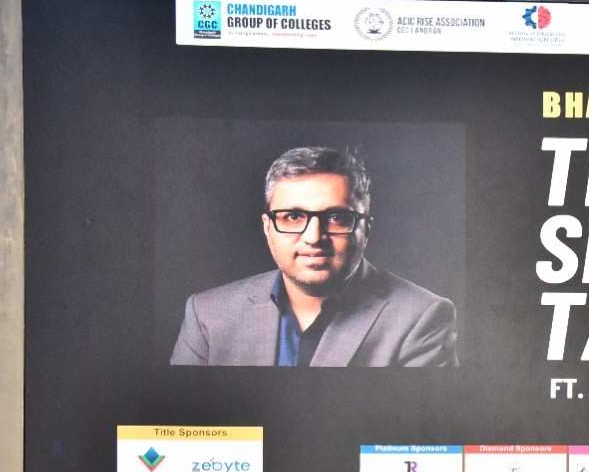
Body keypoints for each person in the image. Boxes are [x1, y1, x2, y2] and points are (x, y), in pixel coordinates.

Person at [170, 146, 457, 367]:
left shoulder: (421, 318)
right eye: (293, 216)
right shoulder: (207, 314)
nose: (313, 237)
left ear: (366, 229)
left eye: (336, 217)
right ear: (267, 228)